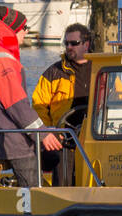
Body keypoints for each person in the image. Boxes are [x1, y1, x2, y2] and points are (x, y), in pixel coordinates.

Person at [0, 5, 61, 187]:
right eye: (24, 28)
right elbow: (17, 104)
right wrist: (43, 133)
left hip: (5, 131)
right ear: (11, 30)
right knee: (33, 189)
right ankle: (35, 211)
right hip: (14, 137)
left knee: (48, 157)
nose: (26, 32)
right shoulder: (0, 59)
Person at [31, 23, 92, 185]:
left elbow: (118, 100)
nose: (69, 47)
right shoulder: (53, 72)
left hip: (93, 138)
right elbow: (38, 105)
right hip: (63, 139)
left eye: (74, 43)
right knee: (63, 182)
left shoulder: (99, 70)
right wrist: (48, 132)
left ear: (86, 45)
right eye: (67, 43)